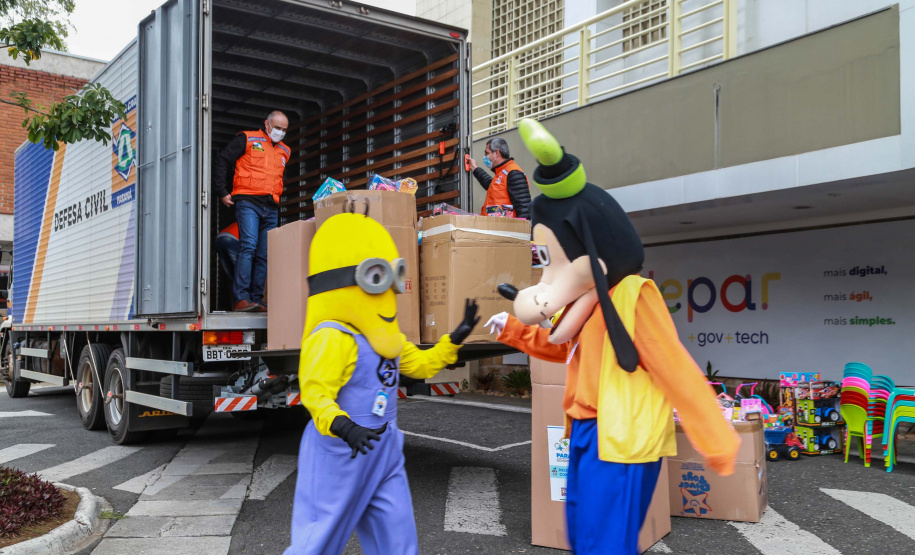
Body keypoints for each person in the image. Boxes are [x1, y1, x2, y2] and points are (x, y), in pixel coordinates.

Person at [485, 119, 740, 555]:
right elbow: (559, 344)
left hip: (622, 438)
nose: (551, 279)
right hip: (585, 432)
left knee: (605, 544)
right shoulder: (585, 302)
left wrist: (715, 437)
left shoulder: (633, 297)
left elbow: (674, 366)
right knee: (583, 536)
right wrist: (513, 330)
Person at [286, 210, 480, 555]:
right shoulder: (332, 337)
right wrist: (344, 427)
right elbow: (315, 392)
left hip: (384, 450)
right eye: (377, 277)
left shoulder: (386, 338)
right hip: (340, 453)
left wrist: (454, 340)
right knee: (317, 541)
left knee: (397, 539)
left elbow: (419, 365)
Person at [213, 110, 291, 312]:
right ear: (267, 124)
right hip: (248, 203)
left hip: (271, 207)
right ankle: (242, 298)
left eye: (284, 130)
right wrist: (222, 191)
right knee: (248, 247)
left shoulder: (285, 151)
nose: (280, 133)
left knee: (264, 254)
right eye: (277, 128)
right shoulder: (247, 139)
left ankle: (256, 299)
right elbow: (222, 160)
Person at [467, 137, 532, 219]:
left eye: (487, 153)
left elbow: (524, 208)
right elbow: (491, 185)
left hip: (507, 230)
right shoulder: (501, 173)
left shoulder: (513, 173)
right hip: (497, 229)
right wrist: (476, 169)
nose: (484, 156)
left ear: (496, 153)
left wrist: (521, 230)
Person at [215, 222, 239, 301]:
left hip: (219, 238)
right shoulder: (256, 224)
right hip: (232, 239)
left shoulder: (247, 219)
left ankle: (236, 303)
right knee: (242, 274)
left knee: (232, 274)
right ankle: (241, 301)